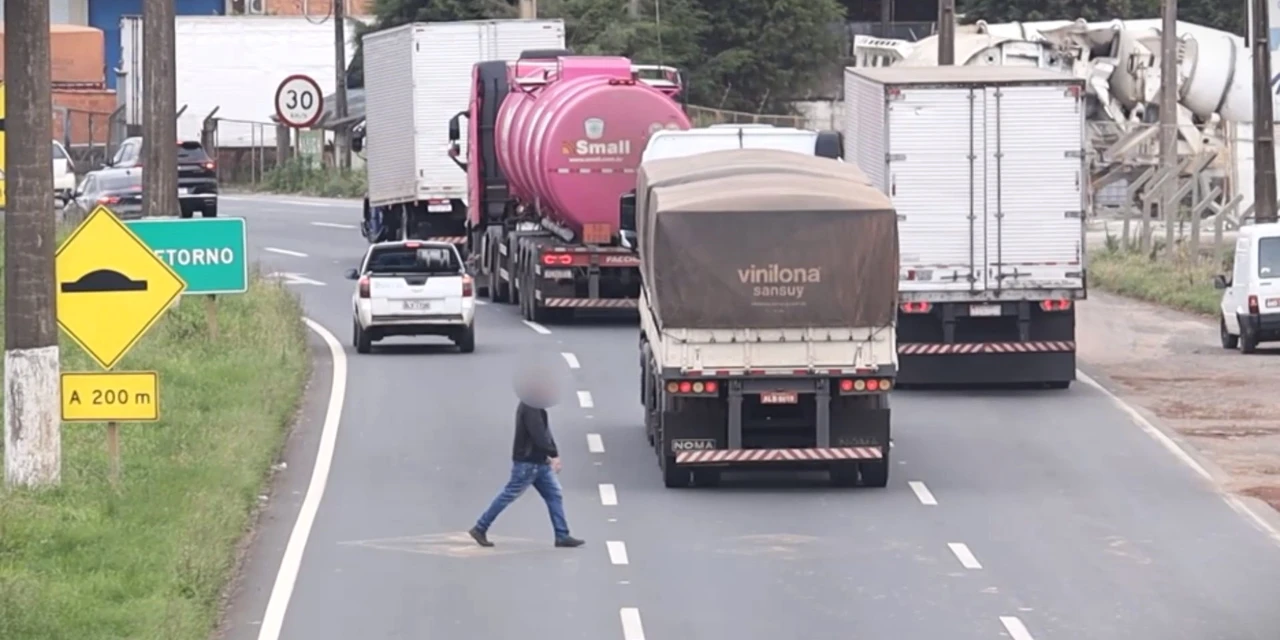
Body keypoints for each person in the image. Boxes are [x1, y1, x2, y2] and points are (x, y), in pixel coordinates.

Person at [469, 377, 585, 549]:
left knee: (554, 494)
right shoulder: (531, 408)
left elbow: (545, 434)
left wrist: (551, 454)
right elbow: (539, 436)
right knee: (508, 495)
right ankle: (480, 527)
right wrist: (553, 454)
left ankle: (562, 535)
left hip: (539, 463)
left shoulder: (535, 407)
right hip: (528, 463)